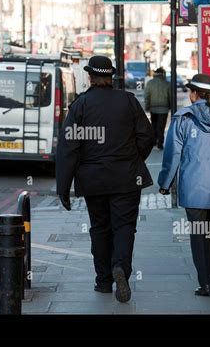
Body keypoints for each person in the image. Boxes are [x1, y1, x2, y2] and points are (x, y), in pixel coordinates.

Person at [56, 55, 155, 303]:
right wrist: (133, 159)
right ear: (111, 77)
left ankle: (103, 281)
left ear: (90, 77)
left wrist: (63, 187)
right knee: (124, 226)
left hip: (94, 179)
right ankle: (120, 267)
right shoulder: (128, 101)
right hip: (126, 178)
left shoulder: (80, 106)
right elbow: (147, 136)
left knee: (100, 228)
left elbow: (68, 148)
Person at [158, 74, 210, 297]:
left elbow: (172, 155)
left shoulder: (183, 119)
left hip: (193, 186)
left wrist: (165, 183)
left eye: (190, 91)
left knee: (199, 233)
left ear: (194, 93)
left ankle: (206, 282)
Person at [144, 68, 172, 150]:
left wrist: (147, 106)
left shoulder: (150, 83)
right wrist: (170, 106)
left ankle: (153, 141)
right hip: (164, 108)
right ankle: (160, 143)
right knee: (161, 126)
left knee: (154, 125)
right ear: (163, 74)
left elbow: (147, 96)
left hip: (153, 108)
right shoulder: (167, 83)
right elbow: (170, 96)